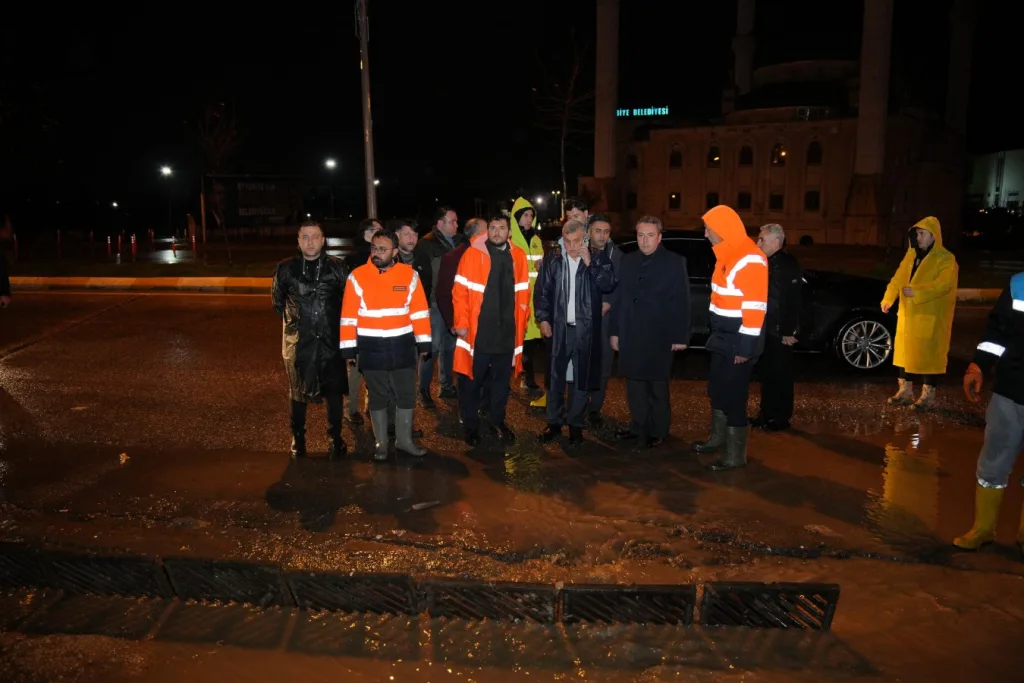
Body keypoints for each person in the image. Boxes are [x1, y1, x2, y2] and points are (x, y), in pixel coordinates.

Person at [341, 229, 431, 460]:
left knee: (405, 394)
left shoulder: (409, 276)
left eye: (382, 249)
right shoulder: (357, 277)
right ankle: (381, 443)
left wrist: (424, 343)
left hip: (402, 346)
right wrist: (349, 349)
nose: (376, 253)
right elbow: (348, 316)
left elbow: (420, 313)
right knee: (378, 396)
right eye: (374, 248)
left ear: (395, 251)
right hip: (371, 347)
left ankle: (404, 441)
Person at [954, 272, 1024, 555]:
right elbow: (998, 331)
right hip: (1009, 391)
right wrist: (979, 365)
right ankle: (983, 529)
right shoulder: (1018, 284)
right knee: (992, 465)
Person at [693, 205, 768, 471]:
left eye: (708, 229)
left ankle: (735, 456)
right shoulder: (728, 254)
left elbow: (755, 309)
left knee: (735, 396)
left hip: (738, 340)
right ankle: (718, 439)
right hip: (722, 337)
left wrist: (745, 348)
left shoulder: (750, 258)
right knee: (718, 390)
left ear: (722, 229)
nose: (705, 234)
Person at [609, 216, 690, 449]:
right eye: (640, 235)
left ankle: (658, 430)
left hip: (659, 335)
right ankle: (637, 427)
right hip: (631, 333)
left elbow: (681, 301)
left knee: (656, 386)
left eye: (650, 235)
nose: (644, 241)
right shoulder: (628, 261)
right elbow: (619, 298)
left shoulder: (674, 262)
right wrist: (615, 331)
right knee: (634, 385)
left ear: (659, 237)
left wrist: (680, 336)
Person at [271, 220, 349, 460]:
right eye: (305, 237)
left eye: (315, 236)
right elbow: (278, 303)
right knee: (297, 392)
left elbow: (350, 302)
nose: (310, 241)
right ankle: (298, 437)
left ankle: (336, 437)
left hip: (331, 342)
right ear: (298, 241)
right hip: (298, 343)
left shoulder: (338, 267)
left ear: (323, 240)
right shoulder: (285, 269)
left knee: (334, 392)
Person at [534, 220, 617, 445]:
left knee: (582, 379)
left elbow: (609, 284)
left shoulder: (598, 258)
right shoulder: (554, 260)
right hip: (559, 329)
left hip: (586, 330)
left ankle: (576, 425)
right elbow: (542, 292)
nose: (571, 247)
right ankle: (553, 423)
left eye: (576, 241)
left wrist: (591, 264)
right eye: (567, 241)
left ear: (585, 240)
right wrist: (542, 319)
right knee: (555, 377)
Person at [453, 216, 530, 446]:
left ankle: (497, 421)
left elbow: (524, 294)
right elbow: (460, 292)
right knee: (471, 382)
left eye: (502, 228)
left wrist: (522, 325)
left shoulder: (518, 256)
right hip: (479, 333)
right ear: (488, 231)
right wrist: (462, 324)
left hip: (506, 332)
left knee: (500, 384)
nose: (497, 232)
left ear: (509, 231)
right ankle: (471, 426)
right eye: (493, 228)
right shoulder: (473, 254)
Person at [881, 217, 958, 409]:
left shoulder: (946, 259)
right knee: (904, 353)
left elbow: (944, 285)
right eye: (916, 234)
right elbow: (898, 278)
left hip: (931, 315)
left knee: (928, 356)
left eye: (922, 233)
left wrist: (918, 292)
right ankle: (904, 392)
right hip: (908, 315)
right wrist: (888, 298)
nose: (918, 237)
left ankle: (927, 396)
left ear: (934, 236)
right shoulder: (911, 256)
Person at [751, 223, 802, 431]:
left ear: (777, 242)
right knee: (768, 373)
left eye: (762, 239)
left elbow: (792, 300)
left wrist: (788, 330)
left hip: (780, 330)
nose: (758, 243)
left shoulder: (786, 265)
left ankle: (780, 418)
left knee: (780, 374)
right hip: (769, 328)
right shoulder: (768, 262)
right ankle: (767, 414)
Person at [415, 206, 461, 406]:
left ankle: (446, 386)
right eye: (452, 221)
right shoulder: (426, 244)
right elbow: (423, 277)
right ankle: (423, 391)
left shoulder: (458, 242)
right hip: (434, 302)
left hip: (453, 302)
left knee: (449, 347)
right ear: (440, 223)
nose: (456, 225)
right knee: (431, 349)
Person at [583, 212, 622, 425]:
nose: (602, 235)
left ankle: (595, 408)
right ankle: (577, 404)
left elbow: (622, 284)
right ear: (589, 231)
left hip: (605, 321)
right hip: (581, 319)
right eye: (598, 230)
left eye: (606, 231)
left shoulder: (617, 255)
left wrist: (609, 302)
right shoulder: (579, 250)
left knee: (603, 366)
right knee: (581, 362)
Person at [342, 217, 382, 426]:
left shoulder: (383, 255)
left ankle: (369, 405)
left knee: (374, 366)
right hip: (359, 321)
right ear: (367, 232)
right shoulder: (355, 258)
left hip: (379, 321)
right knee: (356, 368)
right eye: (378, 230)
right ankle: (350, 409)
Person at [508, 196, 546, 399]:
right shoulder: (510, 240)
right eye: (525, 215)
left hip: (534, 299)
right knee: (511, 341)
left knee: (530, 342)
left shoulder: (537, 240)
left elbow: (539, 270)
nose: (529, 218)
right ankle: (504, 380)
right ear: (517, 217)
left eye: (531, 214)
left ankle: (528, 379)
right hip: (516, 299)